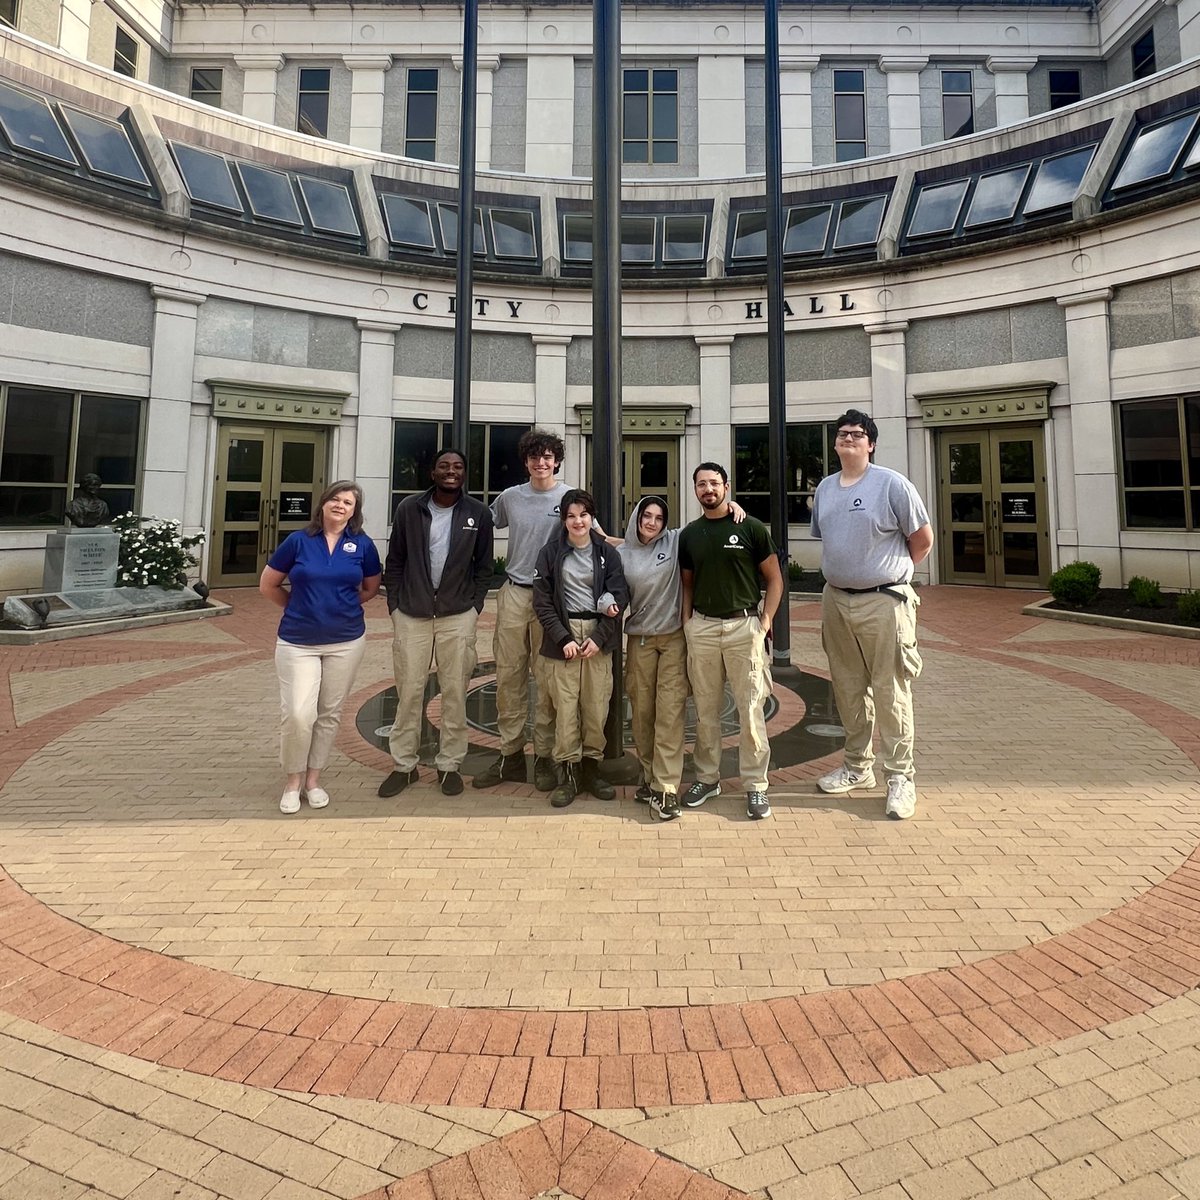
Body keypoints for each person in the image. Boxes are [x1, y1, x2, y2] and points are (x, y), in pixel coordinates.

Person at [811, 409, 932, 821]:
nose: (848, 439)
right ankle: (857, 768)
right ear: (835, 443)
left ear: (871, 443)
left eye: (857, 434)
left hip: (884, 602)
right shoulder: (825, 489)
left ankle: (900, 777)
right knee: (847, 689)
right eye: (842, 434)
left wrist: (891, 574)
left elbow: (922, 539)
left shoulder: (891, 484)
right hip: (836, 600)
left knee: (891, 691)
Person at [611, 494, 745, 822]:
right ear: (637, 517)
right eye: (647, 516)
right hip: (640, 640)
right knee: (642, 715)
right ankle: (649, 777)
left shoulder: (675, 541)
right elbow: (604, 543)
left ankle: (665, 788)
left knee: (669, 714)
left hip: (672, 639)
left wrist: (733, 508)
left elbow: (708, 523)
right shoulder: (621, 553)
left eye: (658, 517)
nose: (652, 522)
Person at [378, 449, 494, 799]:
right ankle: (404, 765)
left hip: (457, 616)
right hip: (411, 614)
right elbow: (395, 560)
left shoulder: (478, 513)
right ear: (433, 472)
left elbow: (484, 567)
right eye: (444, 466)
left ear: (464, 474)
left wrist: (474, 607)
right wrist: (395, 605)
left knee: (455, 693)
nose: (451, 471)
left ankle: (449, 765)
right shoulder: (409, 509)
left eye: (458, 466)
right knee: (410, 692)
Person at [259, 481, 381, 814]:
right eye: (335, 499)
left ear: (354, 511)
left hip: (346, 641)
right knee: (299, 714)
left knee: (328, 714)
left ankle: (313, 780)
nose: (341, 506)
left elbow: (371, 587)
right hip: (297, 641)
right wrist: (296, 605)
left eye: (348, 502)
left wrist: (341, 606)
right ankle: (292, 781)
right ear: (323, 504)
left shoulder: (362, 545)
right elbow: (268, 584)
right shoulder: (298, 541)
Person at [679, 462, 784, 820]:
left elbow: (775, 579)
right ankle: (708, 779)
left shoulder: (750, 527)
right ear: (694, 490)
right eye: (701, 484)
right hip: (703, 629)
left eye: (713, 483)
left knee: (751, 709)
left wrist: (764, 621)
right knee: (706, 713)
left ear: (727, 486)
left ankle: (755, 785)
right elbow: (687, 584)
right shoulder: (690, 534)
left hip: (744, 628)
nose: (708, 489)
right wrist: (688, 624)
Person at [473, 428, 570, 792]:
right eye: (534, 457)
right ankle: (510, 755)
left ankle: (544, 757)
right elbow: (478, 525)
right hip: (514, 593)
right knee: (510, 675)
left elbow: (597, 538)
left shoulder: (569, 498)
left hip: (551, 598)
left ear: (556, 460)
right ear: (526, 461)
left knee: (546, 678)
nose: (541, 463)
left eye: (547, 457)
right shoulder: (510, 498)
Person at [532, 489, 629, 809]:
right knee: (565, 707)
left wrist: (599, 637)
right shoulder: (550, 553)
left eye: (583, 515)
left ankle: (591, 768)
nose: (578, 521)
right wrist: (563, 638)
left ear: (592, 517)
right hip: (564, 636)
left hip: (597, 638)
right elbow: (542, 603)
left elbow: (620, 596)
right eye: (571, 515)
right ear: (563, 519)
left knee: (596, 706)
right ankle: (568, 772)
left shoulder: (607, 554)